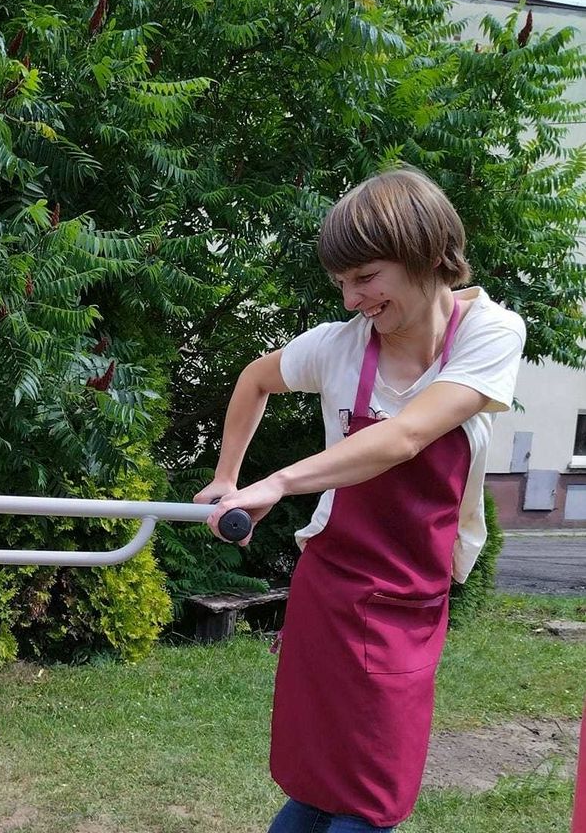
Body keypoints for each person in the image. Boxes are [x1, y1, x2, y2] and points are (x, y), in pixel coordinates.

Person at [194, 167, 525, 832]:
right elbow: (254, 379)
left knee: (372, 798)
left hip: (410, 599)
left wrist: (281, 480)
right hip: (332, 589)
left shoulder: (491, 333)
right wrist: (228, 476)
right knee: (317, 783)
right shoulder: (338, 347)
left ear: (428, 255)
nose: (351, 300)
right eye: (342, 283)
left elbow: (406, 436)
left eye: (366, 277)